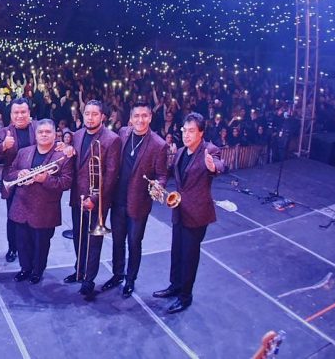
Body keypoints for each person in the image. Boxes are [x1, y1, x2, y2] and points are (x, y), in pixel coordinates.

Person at [153, 112, 226, 313]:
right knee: (176, 252)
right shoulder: (180, 152)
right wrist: (158, 185)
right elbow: (170, 175)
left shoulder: (210, 150)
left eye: (191, 131)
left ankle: (185, 296)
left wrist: (213, 166)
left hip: (197, 215)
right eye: (184, 130)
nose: (186, 135)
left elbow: (220, 165)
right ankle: (174, 286)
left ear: (201, 133)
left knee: (189, 257)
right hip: (179, 211)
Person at [102, 102, 168, 298]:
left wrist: (158, 184)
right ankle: (117, 274)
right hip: (117, 199)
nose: (140, 119)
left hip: (138, 203)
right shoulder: (122, 133)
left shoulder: (159, 144)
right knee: (117, 241)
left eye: (144, 116)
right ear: (130, 119)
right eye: (136, 116)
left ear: (150, 117)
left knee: (134, 243)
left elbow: (162, 174)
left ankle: (130, 280)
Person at [65, 100, 121, 301]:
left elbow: (111, 174)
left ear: (102, 117)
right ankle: (79, 270)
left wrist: (95, 198)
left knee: (93, 241)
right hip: (77, 196)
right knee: (79, 237)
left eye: (94, 114)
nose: (90, 117)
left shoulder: (112, 139)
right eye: (87, 113)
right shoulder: (78, 134)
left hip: (97, 199)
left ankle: (89, 280)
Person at [7, 119, 72, 284]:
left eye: (47, 132)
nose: (43, 135)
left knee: (40, 244)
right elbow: (11, 171)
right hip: (22, 205)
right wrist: (19, 174)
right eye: (40, 132)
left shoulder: (62, 156)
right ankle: (25, 268)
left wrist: (45, 179)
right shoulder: (24, 151)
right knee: (22, 242)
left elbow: (66, 182)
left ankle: (37, 271)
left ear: (55, 134)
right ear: (35, 134)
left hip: (44, 209)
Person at [0, 98, 38, 263]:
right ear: (10, 114)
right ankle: (13, 248)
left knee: (34, 217)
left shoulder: (38, 128)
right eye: (16, 112)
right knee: (13, 217)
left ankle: (31, 248)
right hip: (12, 181)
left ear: (29, 113)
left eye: (23, 112)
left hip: (35, 181)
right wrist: (3, 146)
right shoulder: (4, 132)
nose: (19, 115)